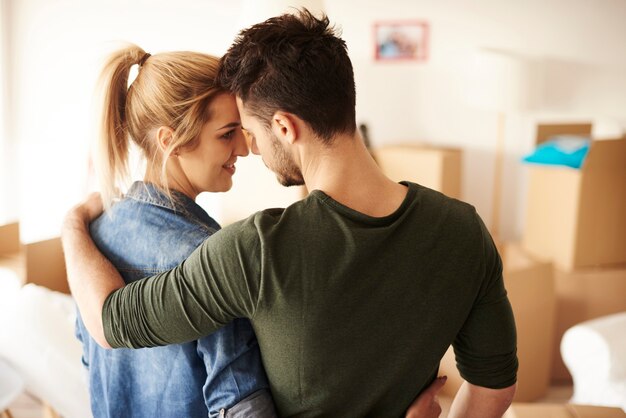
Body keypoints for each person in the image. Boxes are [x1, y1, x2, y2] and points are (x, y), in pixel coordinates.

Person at [63, 9, 518, 418]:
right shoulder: (465, 230)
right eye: (231, 133)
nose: (250, 147)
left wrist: (72, 224)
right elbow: (494, 386)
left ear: (284, 126)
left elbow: (110, 322)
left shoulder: (254, 250)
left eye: (250, 130)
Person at [74, 44, 276, 418]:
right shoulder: (208, 254)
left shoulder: (92, 241)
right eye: (227, 134)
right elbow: (241, 406)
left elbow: (92, 370)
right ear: (171, 141)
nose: (243, 150)